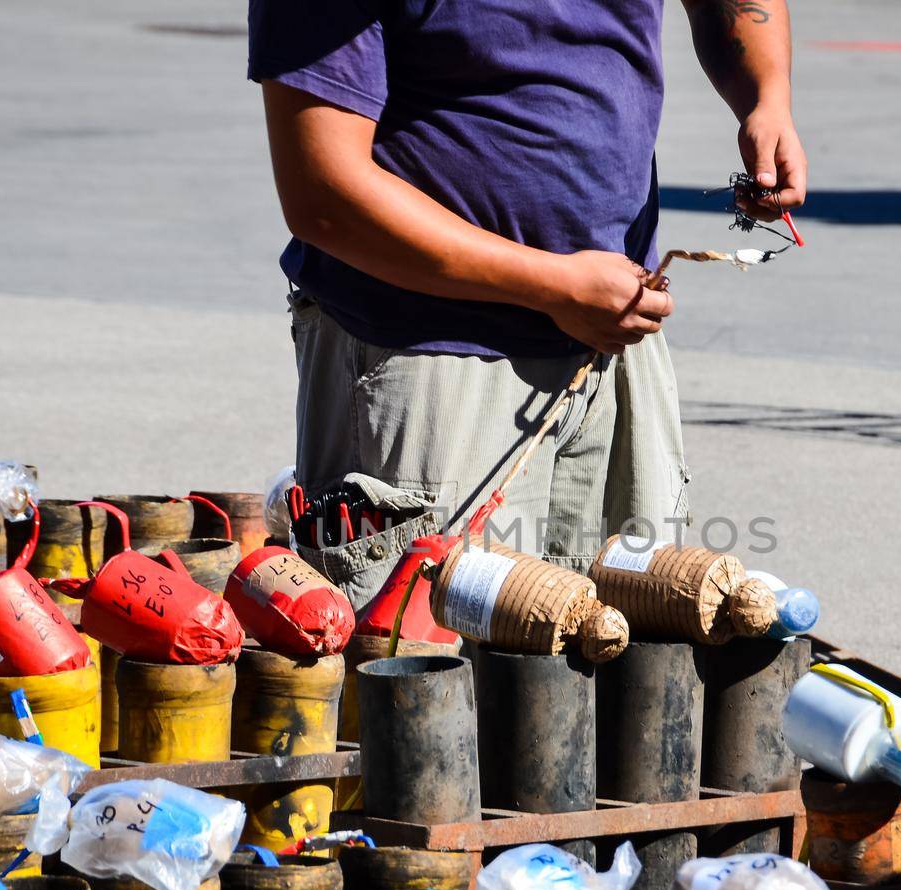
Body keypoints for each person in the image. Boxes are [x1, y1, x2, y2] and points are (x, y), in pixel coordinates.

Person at [250, 0, 806, 606]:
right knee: (435, 673)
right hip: (432, 361)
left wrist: (766, 98)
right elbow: (322, 192)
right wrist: (553, 286)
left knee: (633, 657)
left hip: (611, 345)